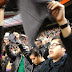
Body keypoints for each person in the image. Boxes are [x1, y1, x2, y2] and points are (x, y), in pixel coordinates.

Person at [36, 1, 72, 72]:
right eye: (50, 45)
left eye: (54, 45)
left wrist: (62, 21)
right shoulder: (47, 63)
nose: (51, 47)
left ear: (64, 48)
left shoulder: (68, 63)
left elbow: (70, 43)